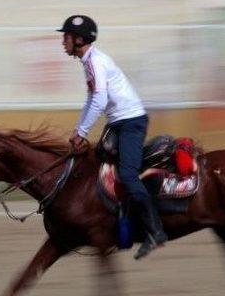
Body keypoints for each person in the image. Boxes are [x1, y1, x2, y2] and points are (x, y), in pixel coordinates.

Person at [57, 14, 167, 259]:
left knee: (128, 174)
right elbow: (91, 99)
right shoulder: (89, 61)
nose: (62, 41)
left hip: (131, 123)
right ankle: (113, 220)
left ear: (79, 39)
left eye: (66, 37)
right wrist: (78, 130)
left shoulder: (95, 62)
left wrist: (83, 132)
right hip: (119, 122)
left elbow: (100, 100)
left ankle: (155, 230)